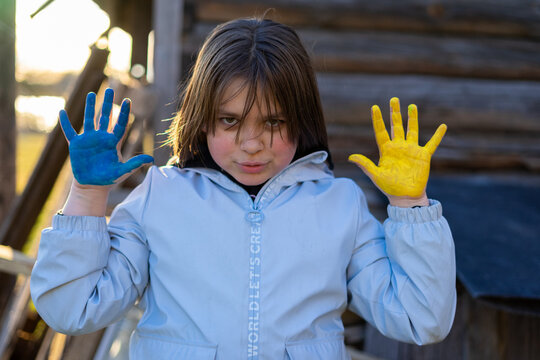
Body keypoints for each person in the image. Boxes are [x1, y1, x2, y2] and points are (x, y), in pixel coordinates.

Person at [30, 17, 456, 360]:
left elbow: (420, 318)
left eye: (274, 122)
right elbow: (73, 308)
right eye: (230, 121)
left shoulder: (340, 206)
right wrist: (87, 196)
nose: (252, 144)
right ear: (201, 118)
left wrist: (410, 206)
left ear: (302, 118)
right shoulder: (159, 200)